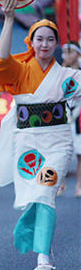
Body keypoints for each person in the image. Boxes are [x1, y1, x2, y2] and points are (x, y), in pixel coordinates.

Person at [0, 0, 81, 270]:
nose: (45, 44)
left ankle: (43, 256)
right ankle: (38, 240)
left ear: (57, 44)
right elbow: (1, 54)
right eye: (40, 39)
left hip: (58, 141)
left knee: (46, 192)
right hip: (27, 142)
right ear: (31, 43)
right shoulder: (18, 70)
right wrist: (9, 18)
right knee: (35, 195)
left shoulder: (68, 76)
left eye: (50, 39)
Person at [63, 42, 81, 197]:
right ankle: (60, 183)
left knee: (80, 154)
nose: (66, 56)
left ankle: (79, 184)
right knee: (62, 152)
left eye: (69, 52)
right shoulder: (60, 73)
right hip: (63, 116)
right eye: (64, 52)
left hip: (79, 116)